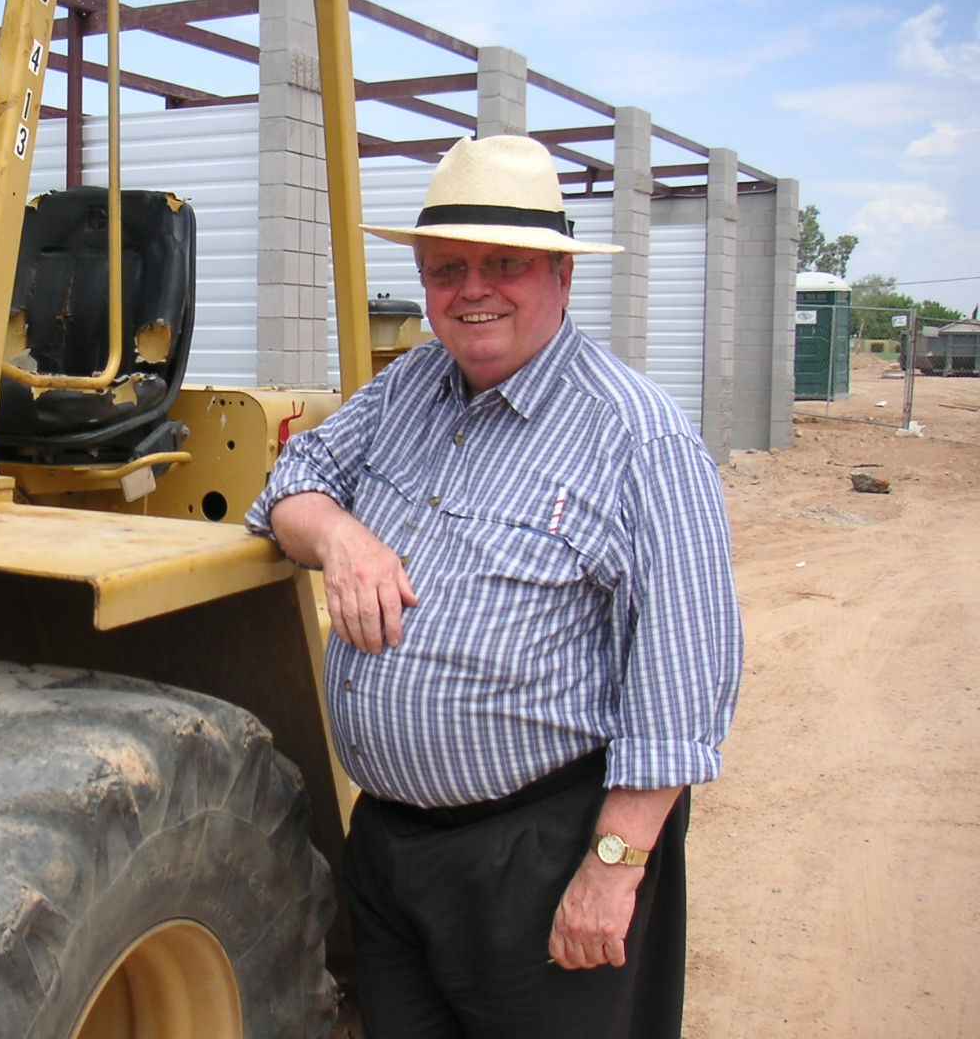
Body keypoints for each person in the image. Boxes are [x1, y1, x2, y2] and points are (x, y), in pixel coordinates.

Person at [245, 135, 743, 1038]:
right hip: (394, 851)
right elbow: (287, 488)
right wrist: (343, 538)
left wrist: (612, 870)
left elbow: (681, 692)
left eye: (503, 264)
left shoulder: (639, 440)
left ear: (559, 273)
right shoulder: (408, 390)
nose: (471, 290)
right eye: (446, 268)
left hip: (543, 860)